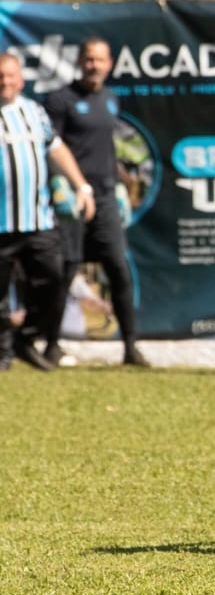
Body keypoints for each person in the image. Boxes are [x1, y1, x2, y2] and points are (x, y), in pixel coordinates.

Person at [43, 38, 148, 367]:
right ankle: (50, 346)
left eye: (100, 60)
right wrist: (67, 189)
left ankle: (130, 348)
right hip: (73, 201)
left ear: (110, 64)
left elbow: (105, 148)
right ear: (79, 61)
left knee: (118, 268)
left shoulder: (110, 99)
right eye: (89, 59)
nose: (94, 65)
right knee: (66, 272)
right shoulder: (60, 100)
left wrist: (121, 184)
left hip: (105, 200)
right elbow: (50, 147)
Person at [0, 52, 96, 371]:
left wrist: (81, 186)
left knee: (54, 282)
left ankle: (26, 338)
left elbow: (56, 149)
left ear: (21, 79)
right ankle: (3, 354)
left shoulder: (34, 112)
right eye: (0, 75)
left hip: (37, 220)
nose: (5, 81)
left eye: (10, 75)